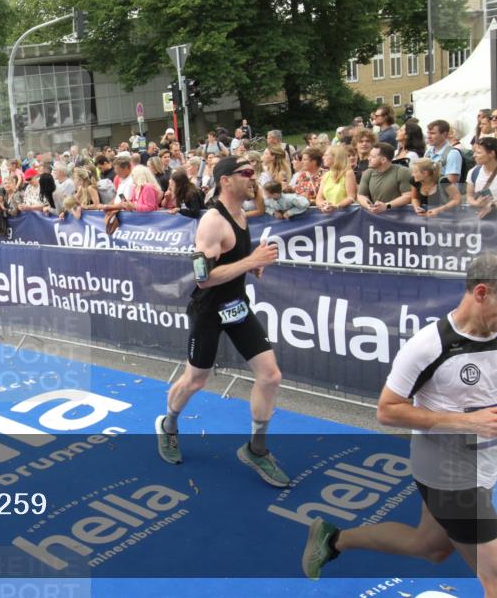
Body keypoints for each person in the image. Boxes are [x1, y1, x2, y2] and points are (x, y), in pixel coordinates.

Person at [302, 252, 497, 594]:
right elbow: (387, 410)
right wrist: (467, 423)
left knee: (430, 546)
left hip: (482, 465)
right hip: (448, 476)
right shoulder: (429, 346)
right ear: (481, 293)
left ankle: (333, 540)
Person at [156, 156, 289, 487]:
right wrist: (250, 261)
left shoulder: (241, 214)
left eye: (254, 173)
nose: (253, 178)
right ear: (225, 180)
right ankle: (168, 424)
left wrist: (251, 265)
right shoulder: (213, 220)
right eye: (246, 173)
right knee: (196, 380)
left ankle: (256, 450)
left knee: (270, 376)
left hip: (236, 306)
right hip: (208, 310)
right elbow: (203, 278)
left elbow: (234, 261)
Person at [357, 142, 412, 213]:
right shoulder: (368, 172)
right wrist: (369, 206)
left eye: (373, 156)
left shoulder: (402, 172)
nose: (368, 158)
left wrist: (386, 206)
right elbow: (361, 195)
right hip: (375, 217)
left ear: (383, 160)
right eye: (369, 156)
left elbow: (408, 196)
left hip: (398, 218)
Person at [315, 145, 358, 213]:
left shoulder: (348, 173)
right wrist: (322, 204)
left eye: (326, 155)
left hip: (346, 214)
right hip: (329, 214)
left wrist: (336, 206)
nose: (323, 157)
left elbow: (351, 197)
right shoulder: (325, 175)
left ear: (335, 157)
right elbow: (318, 198)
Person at [468, 137, 497, 220]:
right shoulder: (473, 172)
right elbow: (469, 195)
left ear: (492, 153)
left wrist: (492, 206)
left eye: (478, 152)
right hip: (481, 219)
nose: (474, 155)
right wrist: (475, 203)